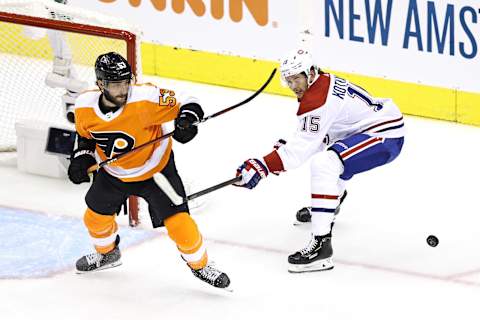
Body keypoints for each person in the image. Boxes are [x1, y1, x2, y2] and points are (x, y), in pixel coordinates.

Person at [68, 52, 230, 289]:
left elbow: (188, 99)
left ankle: (201, 265)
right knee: (94, 219)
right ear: (101, 84)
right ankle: (107, 254)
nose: (123, 89)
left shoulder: (145, 98)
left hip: (157, 172)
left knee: (181, 226)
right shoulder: (84, 107)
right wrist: (81, 158)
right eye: (116, 85)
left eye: (126, 81)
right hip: (113, 174)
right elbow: (85, 138)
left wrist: (187, 119)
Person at [234, 49, 405, 273]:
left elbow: (297, 154)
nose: (294, 85)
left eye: (297, 78)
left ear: (311, 72)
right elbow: (315, 135)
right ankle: (330, 203)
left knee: (326, 163)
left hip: (384, 136)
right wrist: (284, 150)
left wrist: (262, 165)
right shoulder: (321, 84)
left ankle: (321, 247)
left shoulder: (317, 99)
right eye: (289, 80)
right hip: (366, 128)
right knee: (333, 156)